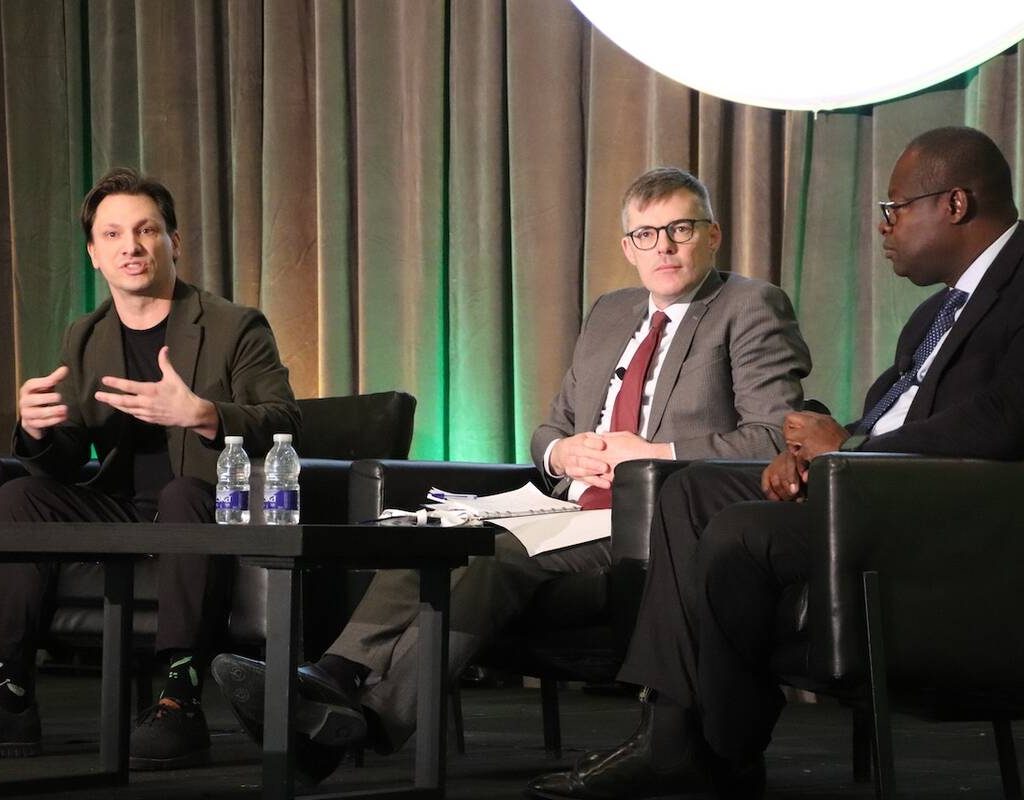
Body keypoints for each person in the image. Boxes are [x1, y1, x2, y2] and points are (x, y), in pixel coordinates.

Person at [211, 166, 811, 782]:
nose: (663, 246)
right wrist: (559, 454)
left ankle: (360, 717)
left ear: (712, 235)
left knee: (491, 554)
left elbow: (771, 439)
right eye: (646, 234)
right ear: (627, 247)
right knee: (433, 534)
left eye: (680, 229)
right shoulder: (611, 313)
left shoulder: (748, 305)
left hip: (650, 519)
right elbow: (549, 428)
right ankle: (335, 678)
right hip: (566, 506)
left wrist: (651, 455)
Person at [524, 126, 1024, 800]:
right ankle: (677, 735)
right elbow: (899, 416)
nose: (885, 228)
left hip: (937, 513)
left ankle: (707, 748)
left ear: (955, 204)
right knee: (690, 493)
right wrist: (813, 450)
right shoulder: (938, 312)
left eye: (895, 209)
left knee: (738, 530)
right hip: (870, 480)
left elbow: (1002, 418)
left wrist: (848, 454)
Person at [0, 168, 300, 769]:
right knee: (18, 497)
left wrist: (205, 413)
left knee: (186, 492)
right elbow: (68, 457)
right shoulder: (86, 336)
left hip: (210, 502)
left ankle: (178, 697)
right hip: (122, 507)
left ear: (174, 242)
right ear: (94, 254)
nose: (130, 246)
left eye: (146, 230)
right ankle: (10, 692)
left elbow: (287, 418)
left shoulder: (233, 325)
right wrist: (36, 431)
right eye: (112, 235)